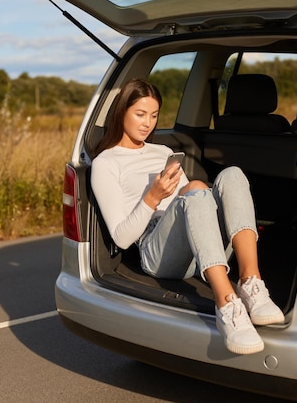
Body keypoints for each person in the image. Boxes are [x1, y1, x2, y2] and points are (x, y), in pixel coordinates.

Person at [91, 78, 284, 355]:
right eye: (140, 114)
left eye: (154, 115)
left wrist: (195, 192)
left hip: (201, 248)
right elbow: (121, 239)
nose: (148, 123)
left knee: (231, 175)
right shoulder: (106, 163)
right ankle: (227, 304)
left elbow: (194, 200)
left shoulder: (163, 152)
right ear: (122, 112)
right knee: (194, 190)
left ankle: (251, 283)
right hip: (157, 252)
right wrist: (152, 197)